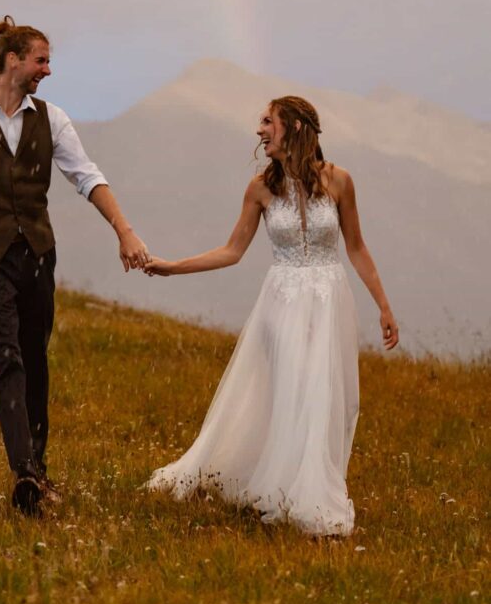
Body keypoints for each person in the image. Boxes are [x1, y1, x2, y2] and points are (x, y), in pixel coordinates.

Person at [0, 16, 149, 515]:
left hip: (37, 256)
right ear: (12, 59)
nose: (48, 69)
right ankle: (24, 474)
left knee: (35, 358)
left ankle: (37, 470)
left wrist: (124, 230)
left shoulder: (53, 119)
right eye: (41, 59)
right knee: (7, 359)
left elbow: (87, 177)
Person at [142, 95, 398, 537]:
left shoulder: (339, 181)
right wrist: (172, 267)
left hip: (327, 300)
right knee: (290, 390)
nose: (260, 130)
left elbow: (356, 247)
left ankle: (312, 490)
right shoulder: (260, 188)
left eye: (267, 122)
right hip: (280, 301)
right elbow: (232, 250)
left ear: (295, 127)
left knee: (322, 394)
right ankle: (282, 485)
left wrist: (384, 306)